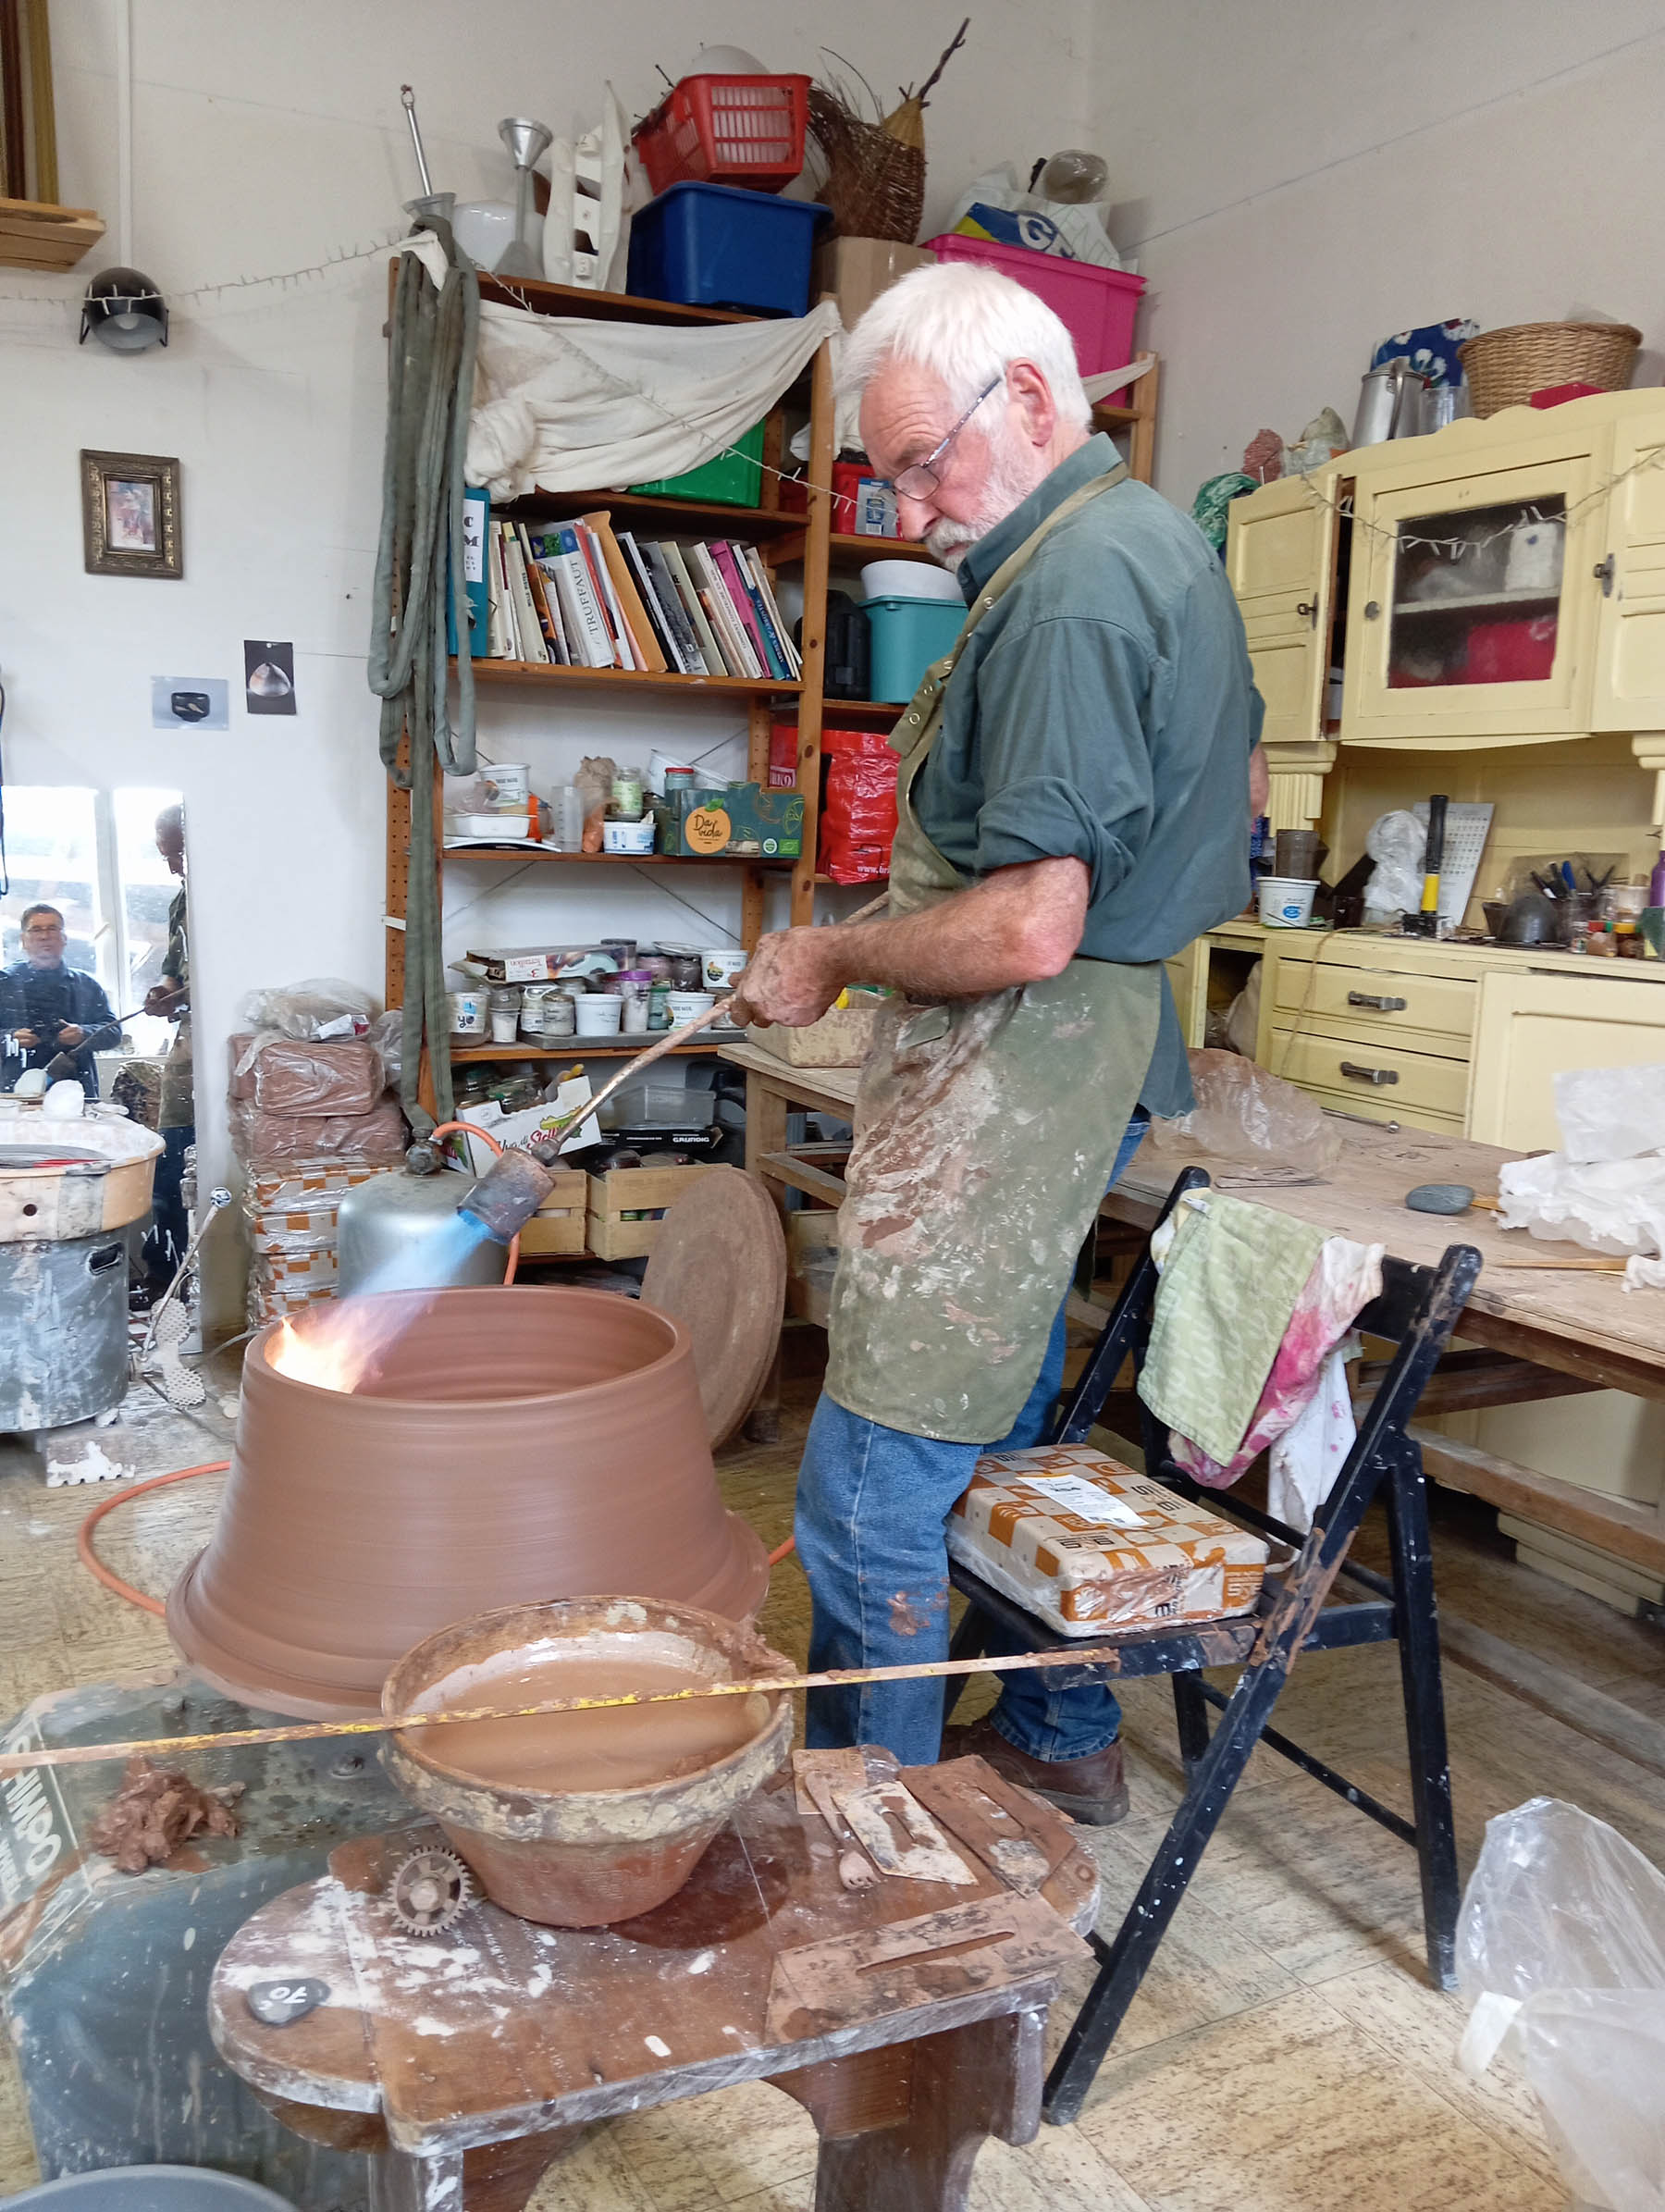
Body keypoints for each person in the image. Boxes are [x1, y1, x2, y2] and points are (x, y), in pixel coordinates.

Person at [732, 262, 1265, 1825]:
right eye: (886, 479)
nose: (910, 512)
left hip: (1026, 1057)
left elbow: (1032, 923)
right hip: (1078, 1052)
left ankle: (873, 1833)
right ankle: (1059, 1729)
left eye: (921, 464)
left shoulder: (1074, 588)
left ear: (1029, 396)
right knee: (994, 1433)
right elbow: (1204, 806)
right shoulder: (1136, 540)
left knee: (871, 1484)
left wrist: (832, 953)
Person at [142, 804, 194, 1293]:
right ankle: (166, 1273)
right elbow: (173, 972)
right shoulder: (181, 902)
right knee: (171, 1156)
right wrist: (164, 993)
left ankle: (197, 1274)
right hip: (188, 1045)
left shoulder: (230, 896)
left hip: (227, 1043)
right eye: (166, 856)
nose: (172, 865)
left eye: (177, 852)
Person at [1, 904, 123, 1096]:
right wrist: (9, 1038)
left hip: (76, 1092)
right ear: (23, 940)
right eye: (36, 930)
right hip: (13, 1093)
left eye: (52, 928)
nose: (44, 936)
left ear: (64, 938)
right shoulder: (4, 984)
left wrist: (83, 1033)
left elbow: (114, 1032)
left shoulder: (86, 985)